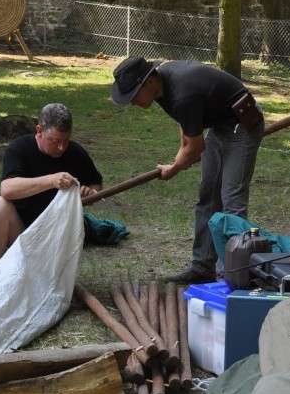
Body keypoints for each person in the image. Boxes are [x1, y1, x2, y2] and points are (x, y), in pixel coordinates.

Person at [110, 56, 265, 283]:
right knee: (208, 197)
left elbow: (195, 147)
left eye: (133, 95)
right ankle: (202, 267)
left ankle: (231, 275)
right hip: (219, 125)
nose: (133, 102)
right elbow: (187, 127)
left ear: (149, 81)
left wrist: (174, 168)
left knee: (232, 200)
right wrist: (181, 156)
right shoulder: (163, 87)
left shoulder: (183, 93)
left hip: (242, 124)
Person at [0, 102, 102, 267]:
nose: (61, 147)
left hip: (58, 235)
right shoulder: (19, 149)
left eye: (65, 140)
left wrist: (91, 192)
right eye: (54, 141)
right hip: (21, 231)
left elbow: (96, 184)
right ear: (39, 130)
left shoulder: (76, 153)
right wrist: (51, 180)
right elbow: (7, 189)